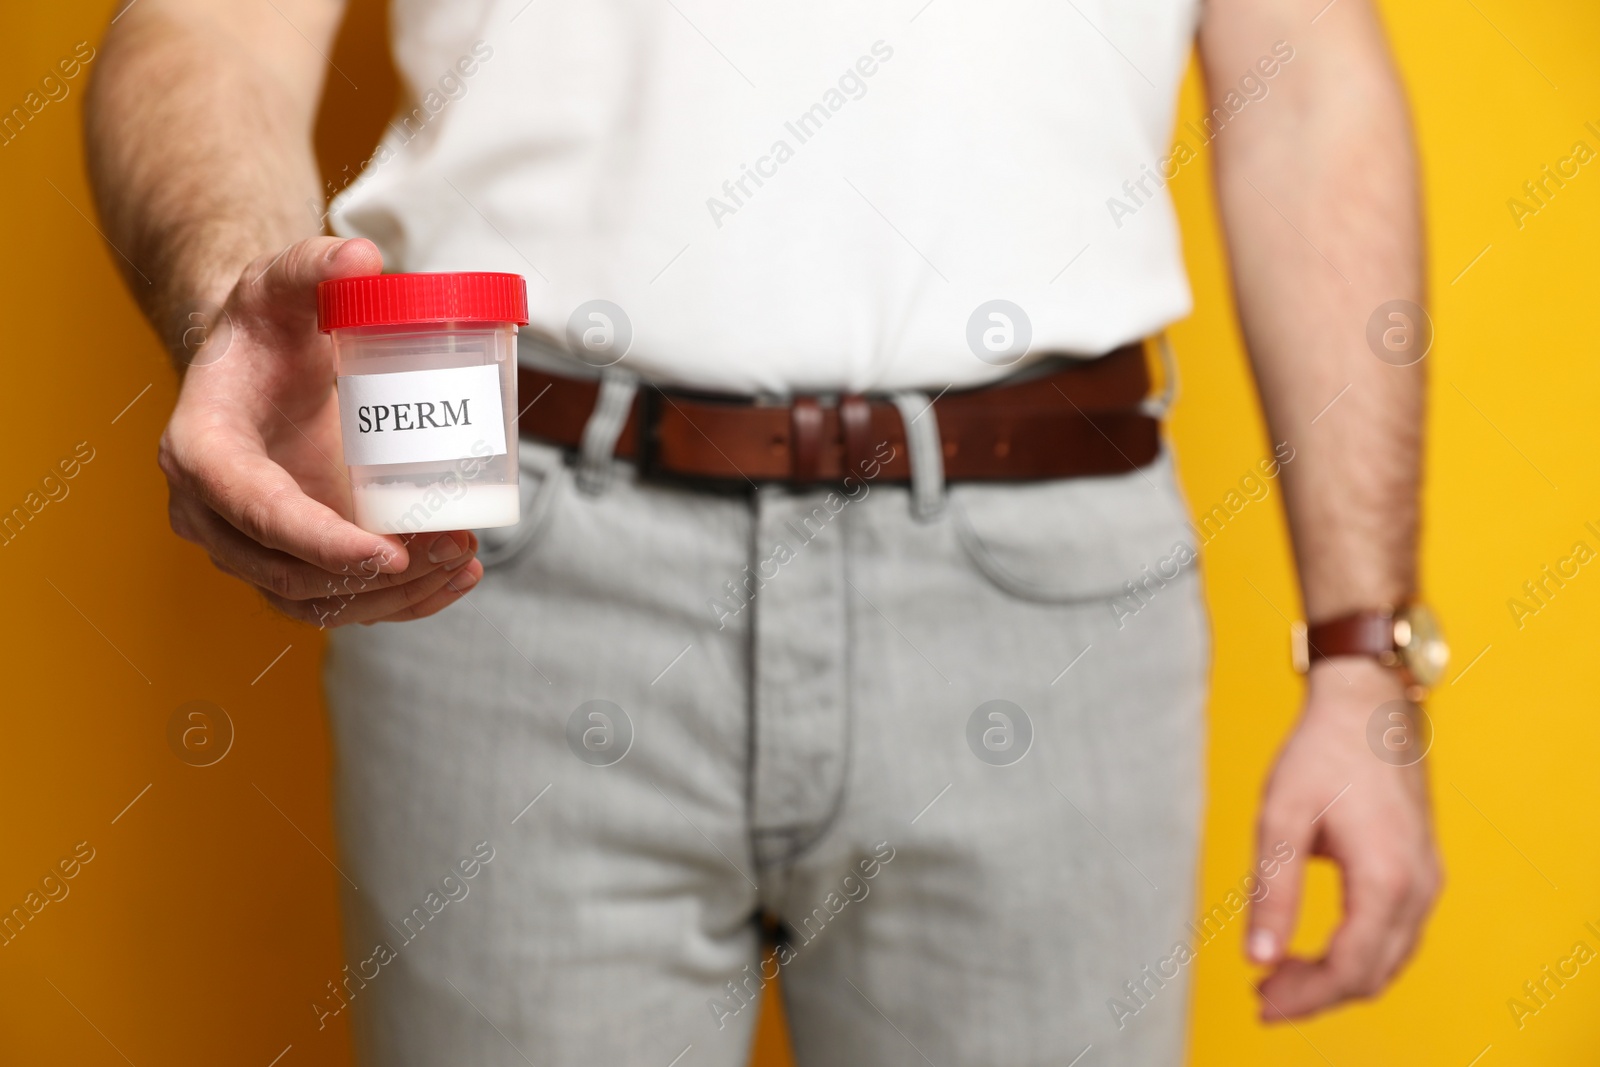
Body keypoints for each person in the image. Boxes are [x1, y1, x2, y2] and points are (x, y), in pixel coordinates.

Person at [87, 0, 1443, 1063]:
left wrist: (1361, 651)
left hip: (1049, 602)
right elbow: (215, 18)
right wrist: (230, 302)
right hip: (493, 562)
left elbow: (1308, 81)